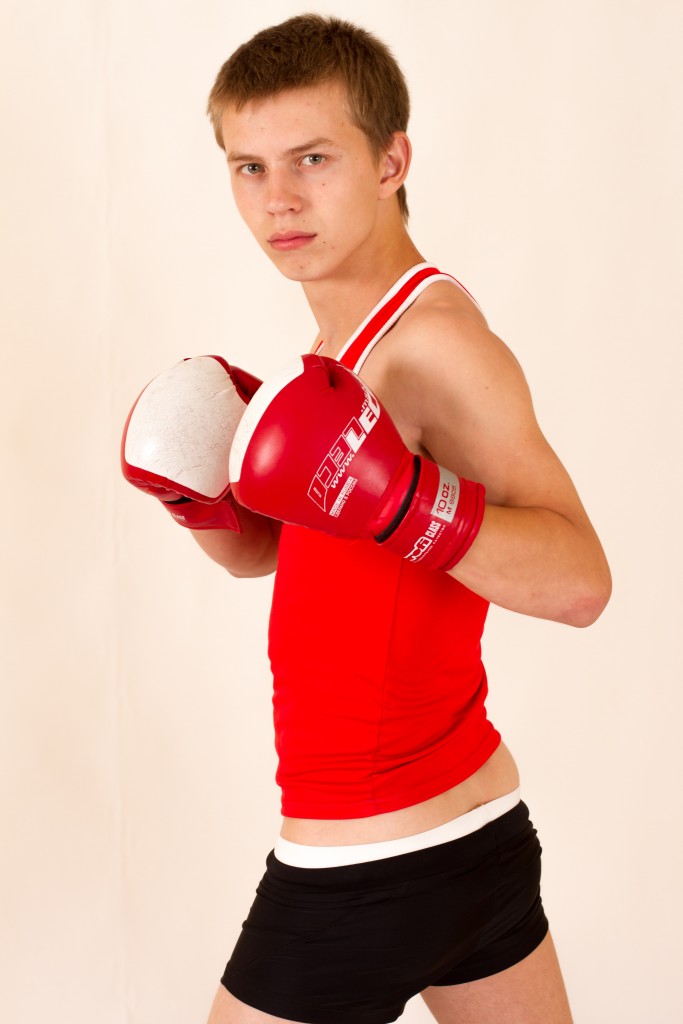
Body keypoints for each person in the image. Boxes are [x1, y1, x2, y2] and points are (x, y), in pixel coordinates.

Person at [122, 13, 611, 1024]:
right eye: (249, 167)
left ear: (391, 160)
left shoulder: (433, 343)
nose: (278, 199)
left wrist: (400, 500)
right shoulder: (339, 345)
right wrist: (206, 502)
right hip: (470, 838)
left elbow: (578, 584)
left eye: (312, 158)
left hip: (364, 865)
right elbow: (291, 559)